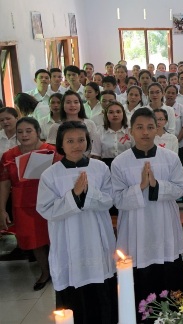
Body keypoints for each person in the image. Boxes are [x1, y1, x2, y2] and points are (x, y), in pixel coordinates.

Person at [111, 108, 183, 323]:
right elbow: (116, 199)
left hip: (165, 228)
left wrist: (155, 186)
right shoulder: (120, 162)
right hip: (136, 232)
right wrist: (141, 186)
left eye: (150, 127)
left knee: (169, 284)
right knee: (139, 285)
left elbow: (181, 188)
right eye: (140, 127)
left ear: (158, 129)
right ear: (131, 131)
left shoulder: (170, 158)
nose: (145, 132)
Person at [37, 121, 117, 323]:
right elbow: (46, 209)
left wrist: (87, 193)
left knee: (101, 292)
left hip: (97, 239)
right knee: (74, 296)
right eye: (70, 141)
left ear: (88, 142)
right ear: (60, 144)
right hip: (67, 241)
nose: (76, 145)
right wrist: (74, 195)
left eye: (81, 140)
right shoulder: (50, 174)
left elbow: (110, 199)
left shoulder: (99, 168)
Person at [0, 117, 60, 291]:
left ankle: (59, 271)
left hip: (49, 201)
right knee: (34, 241)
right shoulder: (8, 156)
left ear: (38, 132)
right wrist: (2, 208)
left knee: (53, 238)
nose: (24, 135)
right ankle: (45, 272)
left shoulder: (51, 151)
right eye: (20, 132)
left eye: (28, 131)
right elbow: (4, 183)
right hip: (23, 204)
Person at [90, 101, 133, 168]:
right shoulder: (99, 132)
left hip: (128, 165)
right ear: (106, 115)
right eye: (111, 112)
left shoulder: (130, 132)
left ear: (123, 114)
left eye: (118, 112)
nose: (115, 115)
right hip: (106, 167)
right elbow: (96, 156)